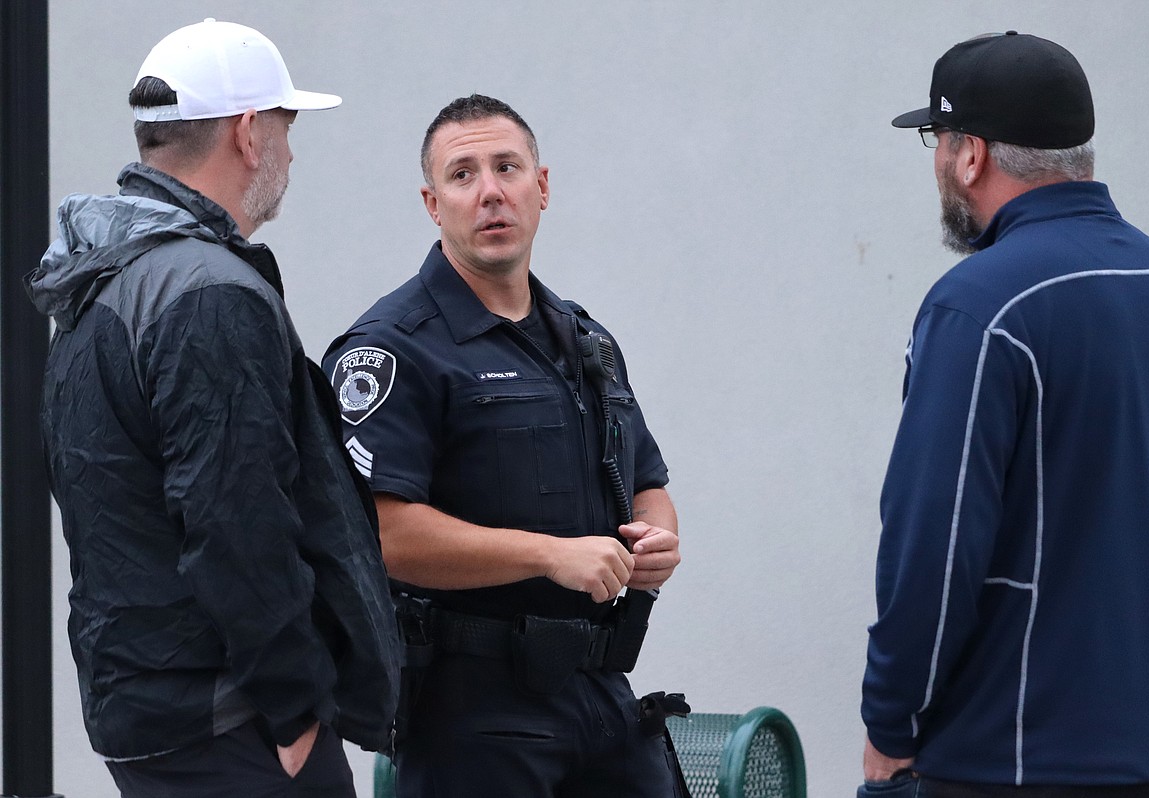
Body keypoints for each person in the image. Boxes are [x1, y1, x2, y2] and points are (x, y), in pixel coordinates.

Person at [26, 19, 401, 798]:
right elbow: (236, 518)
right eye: (285, 127)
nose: (291, 154)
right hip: (233, 724)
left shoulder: (102, 281)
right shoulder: (208, 294)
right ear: (247, 134)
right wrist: (296, 714)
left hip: (150, 709)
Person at [322, 94, 683, 797]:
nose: (489, 192)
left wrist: (657, 540)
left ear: (540, 187)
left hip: (603, 695)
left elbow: (645, 479)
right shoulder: (393, 349)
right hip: (474, 718)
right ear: (433, 203)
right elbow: (378, 534)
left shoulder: (586, 340)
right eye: (463, 175)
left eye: (507, 167)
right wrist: (550, 555)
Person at [861, 31, 1149, 795]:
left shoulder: (983, 305)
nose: (937, 165)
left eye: (937, 141)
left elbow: (934, 539)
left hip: (1017, 755)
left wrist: (891, 722)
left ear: (971, 155)